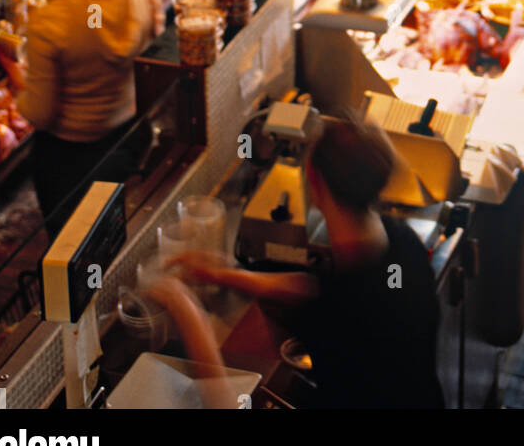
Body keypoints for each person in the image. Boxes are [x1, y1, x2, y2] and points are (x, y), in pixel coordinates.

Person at [167, 113, 445, 410]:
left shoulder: (337, 311)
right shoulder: (402, 242)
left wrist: (185, 310)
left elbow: (225, 403)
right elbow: (314, 286)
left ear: (313, 178)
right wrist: (226, 274)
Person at [0, 0, 164, 232]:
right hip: (129, 135)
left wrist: (13, 71)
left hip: (73, 160)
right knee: (121, 231)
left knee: (75, 249)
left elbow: (39, 113)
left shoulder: (50, 22)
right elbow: (142, 42)